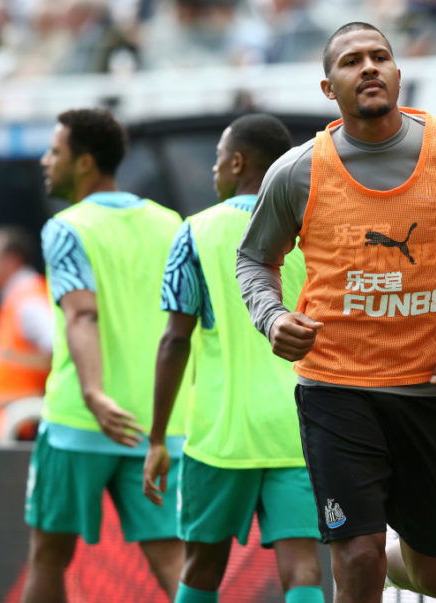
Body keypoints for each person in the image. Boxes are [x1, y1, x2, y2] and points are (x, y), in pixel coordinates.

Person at [237, 21, 436, 601]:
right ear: (327, 88)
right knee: (355, 556)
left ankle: (397, 558)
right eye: (351, 61)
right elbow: (253, 261)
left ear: (397, 71)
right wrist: (272, 317)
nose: (368, 67)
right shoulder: (296, 171)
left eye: (380, 56)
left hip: (428, 390)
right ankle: (368, 558)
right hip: (337, 389)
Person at [142, 114, 325, 603]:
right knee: (303, 566)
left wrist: (158, 437)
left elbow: (174, 340)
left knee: (202, 566)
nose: (214, 171)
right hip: (301, 426)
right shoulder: (315, 230)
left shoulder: (195, 232)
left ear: (238, 162)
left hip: (221, 433)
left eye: (218, 160)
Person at [22, 108, 185, 602]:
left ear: (86, 162)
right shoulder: (170, 223)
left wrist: (93, 394)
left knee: (49, 555)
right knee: (171, 556)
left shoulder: (67, 227)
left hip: (80, 422)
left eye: (56, 151)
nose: (45, 160)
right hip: (158, 424)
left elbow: (82, 315)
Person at [0, 225, 52, 439]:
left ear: (11, 259)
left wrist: (26, 396)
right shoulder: (15, 298)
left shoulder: (29, 301)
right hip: (15, 428)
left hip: (26, 427)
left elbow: (62, 350)